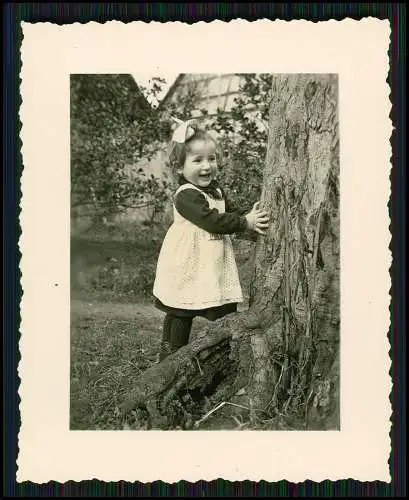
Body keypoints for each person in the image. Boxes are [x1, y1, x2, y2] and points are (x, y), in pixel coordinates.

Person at [153, 117, 270, 361]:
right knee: (180, 311)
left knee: (224, 308)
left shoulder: (216, 190)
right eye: (197, 160)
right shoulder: (186, 196)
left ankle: (224, 356)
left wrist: (250, 223)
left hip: (212, 264)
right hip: (187, 263)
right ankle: (170, 359)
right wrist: (243, 222)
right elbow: (212, 221)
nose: (207, 166)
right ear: (178, 167)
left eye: (212, 158)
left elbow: (231, 212)